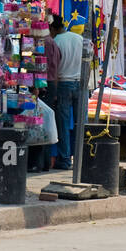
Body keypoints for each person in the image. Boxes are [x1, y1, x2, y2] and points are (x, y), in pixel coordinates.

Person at [53, 17, 90, 170]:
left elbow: (54, 68)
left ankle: (65, 159)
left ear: (53, 28)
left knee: (63, 124)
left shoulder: (56, 40)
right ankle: (82, 157)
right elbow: (88, 63)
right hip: (81, 84)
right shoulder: (80, 39)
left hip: (63, 83)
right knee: (81, 123)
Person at [43, 24, 64, 169]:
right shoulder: (53, 43)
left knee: (43, 123)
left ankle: (43, 161)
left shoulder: (46, 42)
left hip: (46, 84)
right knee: (47, 123)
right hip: (51, 84)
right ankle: (45, 161)